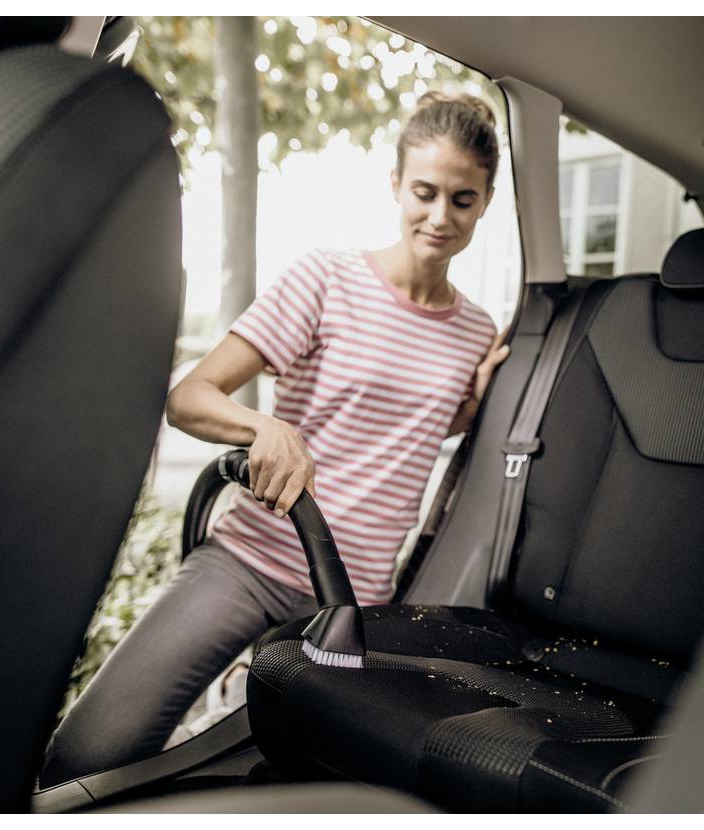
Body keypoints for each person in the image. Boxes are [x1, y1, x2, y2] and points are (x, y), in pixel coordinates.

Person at [40, 91, 510, 787]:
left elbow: (417, 426)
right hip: (250, 564)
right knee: (86, 756)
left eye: (463, 200)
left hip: (353, 602)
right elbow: (189, 397)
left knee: (296, 786)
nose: (441, 217)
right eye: (425, 193)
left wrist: (474, 400)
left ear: (486, 200)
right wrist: (266, 427)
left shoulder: (475, 330)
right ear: (395, 185)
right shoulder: (327, 279)